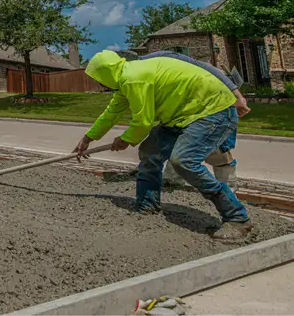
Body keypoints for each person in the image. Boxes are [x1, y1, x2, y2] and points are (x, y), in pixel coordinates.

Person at [74, 50, 252, 241]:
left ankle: (237, 219)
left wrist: (124, 140)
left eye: (97, 78)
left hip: (211, 110)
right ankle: (147, 205)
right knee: (150, 152)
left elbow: (143, 122)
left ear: (104, 75)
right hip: (181, 115)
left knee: (184, 161)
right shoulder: (125, 80)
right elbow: (111, 114)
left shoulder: (134, 78)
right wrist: (88, 138)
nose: (98, 83)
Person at [117, 50, 250, 190]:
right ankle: (171, 181)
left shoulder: (164, 58)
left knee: (216, 151)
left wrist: (237, 95)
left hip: (212, 104)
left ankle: (228, 187)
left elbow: (210, 70)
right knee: (175, 145)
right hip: (183, 111)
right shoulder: (141, 76)